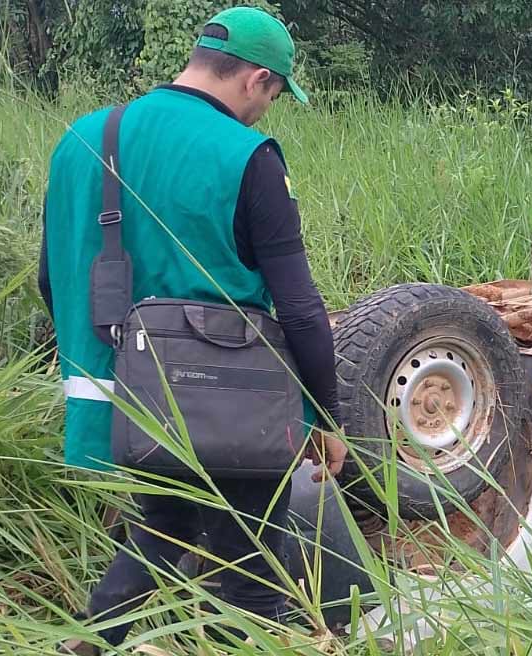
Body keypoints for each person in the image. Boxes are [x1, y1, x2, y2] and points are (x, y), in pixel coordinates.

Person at [38, 7, 348, 653]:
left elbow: (53, 278)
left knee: (167, 522)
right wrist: (326, 415)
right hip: (228, 406)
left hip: (123, 405)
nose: (268, 111)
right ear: (256, 79)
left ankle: (92, 640)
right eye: (274, 95)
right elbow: (299, 307)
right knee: (254, 580)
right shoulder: (249, 156)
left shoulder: (82, 139)